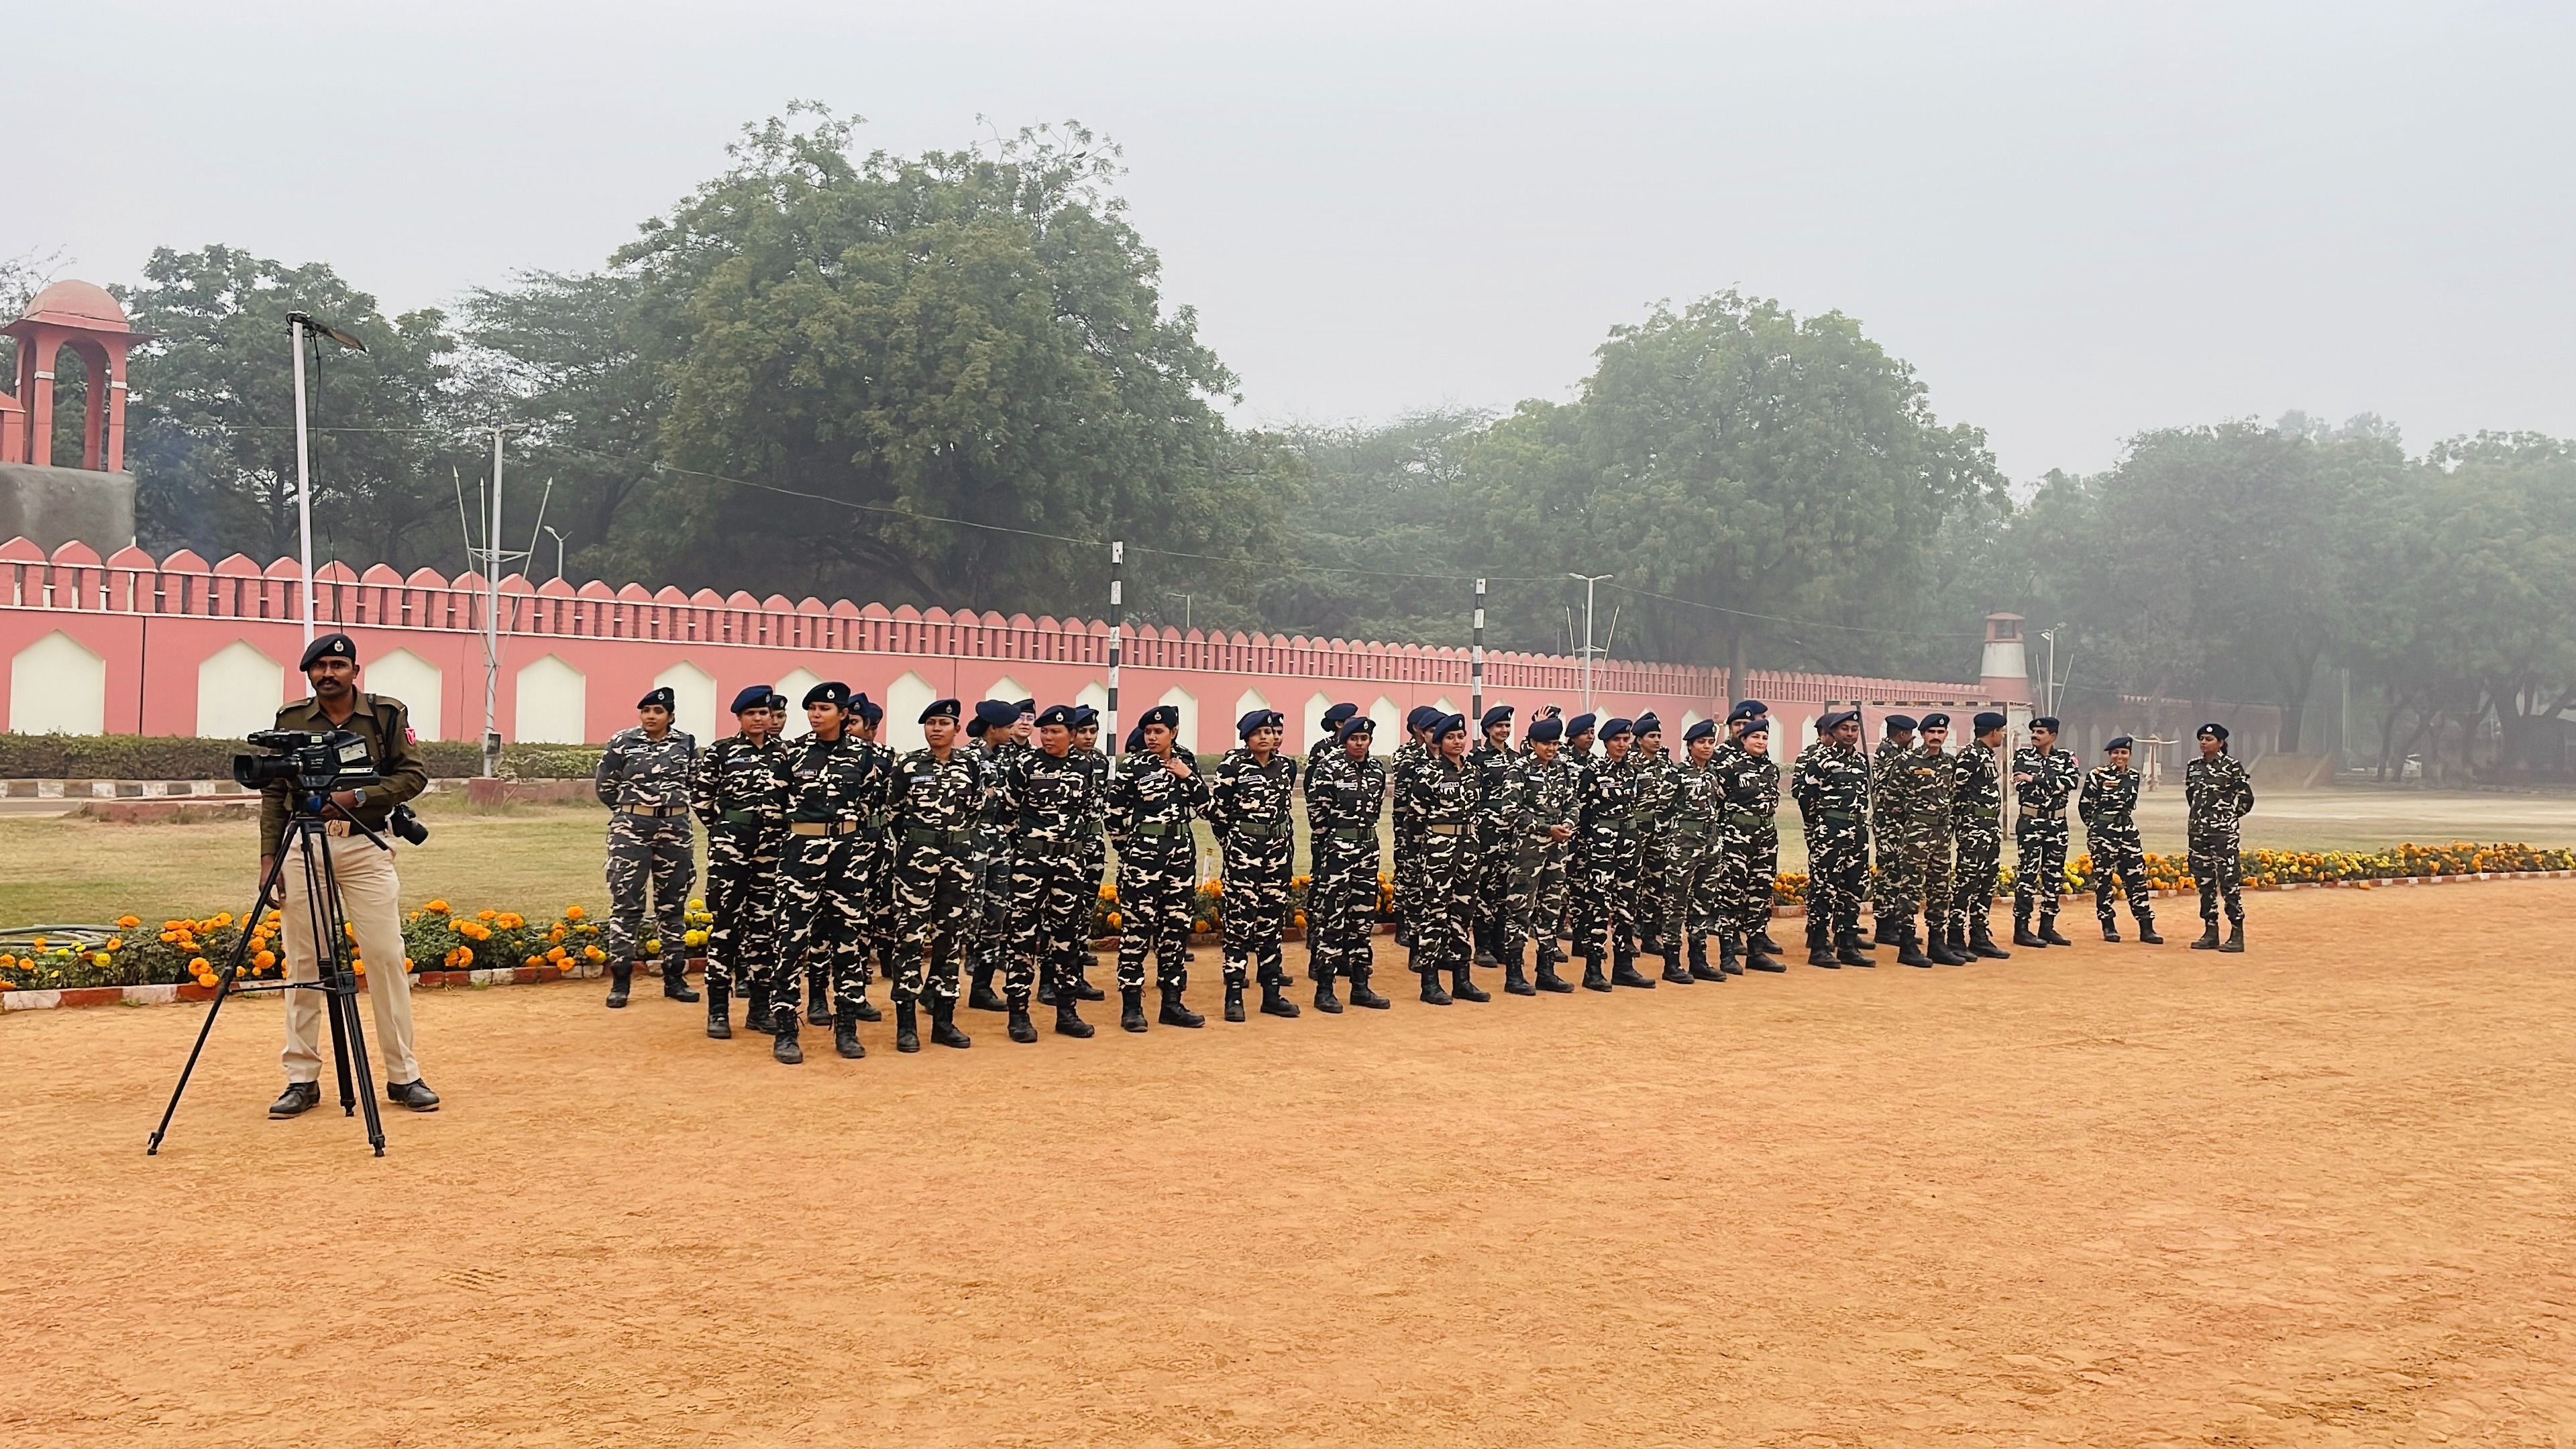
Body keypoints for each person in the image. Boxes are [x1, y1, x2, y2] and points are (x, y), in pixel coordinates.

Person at [260, 632, 439, 1117]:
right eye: (318, 668)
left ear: (355, 672)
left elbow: (413, 775)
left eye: (338, 665)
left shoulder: (385, 715)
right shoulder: (291, 719)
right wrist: (267, 860)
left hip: (364, 842)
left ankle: (404, 1076)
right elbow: (275, 794)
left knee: (383, 956)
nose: (327, 674)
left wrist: (359, 797)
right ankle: (301, 1078)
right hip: (304, 845)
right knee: (303, 962)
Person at [774, 683, 894, 1063]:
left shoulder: (866, 755)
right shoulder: (791, 753)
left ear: (844, 714)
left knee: (848, 942)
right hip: (800, 855)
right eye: (810, 708)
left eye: (824, 708)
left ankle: (847, 1028)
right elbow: (775, 807)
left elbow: (877, 805)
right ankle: (786, 1030)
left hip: (848, 856)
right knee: (791, 942)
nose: (815, 714)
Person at [690, 685, 792, 1040]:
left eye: (764, 714)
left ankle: (759, 1009)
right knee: (725, 925)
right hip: (731, 847)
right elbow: (701, 798)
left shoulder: (785, 754)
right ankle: (718, 1010)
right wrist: (724, 829)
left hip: (772, 849)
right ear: (739, 718)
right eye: (751, 714)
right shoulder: (722, 751)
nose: (758, 719)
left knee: (764, 927)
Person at [886, 699, 984, 1051]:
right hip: (916, 861)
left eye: (944, 723)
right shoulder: (909, 765)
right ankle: (907, 1024)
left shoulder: (970, 766)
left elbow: (974, 811)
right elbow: (894, 812)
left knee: (950, 939)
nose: (937, 729)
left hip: (957, 860)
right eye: (930, 723)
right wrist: (923, 841)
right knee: (910, 938)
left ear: (957, 729)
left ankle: (944, 1020)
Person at [1106, 703, 1211, 1030]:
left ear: (1174, 732)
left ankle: (1172, 1003)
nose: (1151, 737)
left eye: (1158, 732)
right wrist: (1134, 851)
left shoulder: (1187, 762)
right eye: (1148, 732)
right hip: (1142, 858)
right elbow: (1113, 817)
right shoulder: (1132, 767)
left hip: (1180, 857)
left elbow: (1207, 808)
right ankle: (1132, 1006)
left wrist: (1189, 777)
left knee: (1175, 932)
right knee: (1136, 931)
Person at [595, 686, 700, 1008]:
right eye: (646, 711)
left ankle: (674, 977)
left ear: (670, 716)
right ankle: (621, 981)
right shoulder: (623, 742)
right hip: (631, 829)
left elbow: (697, 783)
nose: (651, 717)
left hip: (675, 828)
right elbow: (605, 785)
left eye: (657, 712)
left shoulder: (686, 743)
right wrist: (632, 812)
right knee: (627, 903)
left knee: (673, 904)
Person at [1002, 704, 1100, 1040]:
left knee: (1066, 937)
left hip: (1069, 864)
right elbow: (1007, 812)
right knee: (1023, 937)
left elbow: (1088, 812)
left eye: (1055, 732)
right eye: (1044, 731)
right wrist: (1031, 845)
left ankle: (1066, 1011)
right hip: (1031, 863)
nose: (1047, 737)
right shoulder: (1025, 765)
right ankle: (1018, 1013)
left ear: (1071, 736)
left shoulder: (1084, 767)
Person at [1206, 708, 1302, 1022]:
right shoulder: (1232, 766)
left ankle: (1272, 994)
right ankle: (1234, 996)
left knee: (1271, 925)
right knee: (1239, 925)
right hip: (1244, 854)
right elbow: (1218, 814)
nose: (1266, 737)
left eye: (1270, 732)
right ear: (1247, 737)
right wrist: (1236, 844)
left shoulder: (1285, 766)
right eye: (1259, 732)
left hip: (1277, 853)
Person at [1302, 714, 1393, 1012]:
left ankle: (1360, 986)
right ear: (1345, 740)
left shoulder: (1377, 770)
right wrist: (1333, 841)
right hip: (1337, 850)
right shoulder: (1329, 767)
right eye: (1354, 738)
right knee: (1333, 917)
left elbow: (1376, 808)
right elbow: (1317, 812)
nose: (1359, 743)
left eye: (1364, 739)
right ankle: (1325, 989)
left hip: (1368, 847)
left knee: (1363, 918)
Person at [1406, 713, 1483, 1004]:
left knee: (1463, 913)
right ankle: (1430, 982)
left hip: (1468, 846)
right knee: (1435, 914)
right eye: (1451, 737)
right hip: (1439, 847)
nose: (1457, 742)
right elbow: (1415, 819)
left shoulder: (1473, 772)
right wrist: (1420, 854)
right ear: (1440, 741)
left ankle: (1462, 979)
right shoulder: (1429, 773)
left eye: (1461, 737)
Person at [1794, 708, 1874, 967]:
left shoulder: (1862, 762)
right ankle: (1818, 947)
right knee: (1824, 889)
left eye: (1854, 730)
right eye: (1844, 730)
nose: (1850, 734)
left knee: (1853, 889)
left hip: (1857, 832)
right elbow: (1806, 797)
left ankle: (1848, 945)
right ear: (1833, 733)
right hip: (1829, 831)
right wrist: (1820, 826)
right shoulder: (1822, 760)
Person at [1571, 717, 1646, 990]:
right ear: (1606, 742)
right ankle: (1593, 969)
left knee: (1627, 904)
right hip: (1601, 844)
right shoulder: (1593, 771)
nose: (1623, 745)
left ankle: (1624, 966)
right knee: (1598, 905)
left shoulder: (1632, 772)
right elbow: (1582, 809)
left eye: (1626, 740)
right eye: (1617, 740)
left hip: (1628, 841)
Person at [1714, 712, 1786, 973]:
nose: (1760, 741)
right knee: (1731, 893)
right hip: (1737, 837)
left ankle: (1756, 951)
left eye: (1765, 737)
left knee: (1760, 893)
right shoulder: (1730, 768)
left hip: (1766, 838)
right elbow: (1718, 804)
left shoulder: (1770, 769)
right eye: (1755, 736)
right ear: (1743, 739)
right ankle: (1727, 954)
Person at [1513, 713, 1580, 993]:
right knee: (1519, 909)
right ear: (1532, 743)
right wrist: (1545, 828)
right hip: (1529, 850)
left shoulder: (1561, 769)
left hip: (1557, 849)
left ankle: (1546, 970)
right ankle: (1515, 974)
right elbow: (1512, 811)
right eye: (1545, 744)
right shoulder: (1518, 769)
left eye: (1555, 744)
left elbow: (1573, 803)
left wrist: (1567, 823)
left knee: (1551, 909)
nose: (1551, 749)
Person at [965, 700, 1024, 1016]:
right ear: (994, 728)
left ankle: (982, 988)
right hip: (972, 842)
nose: (1013, 731)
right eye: (1008, 726)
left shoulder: (1004, 757)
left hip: (998, 844)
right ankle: (936, 989)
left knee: (995, 915)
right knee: (966, 919)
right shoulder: (969, 758)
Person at [2079, 735, 2162, 944]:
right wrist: (2097, 828)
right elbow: (2085, 806)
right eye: (2116, 753)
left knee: (2136, 878)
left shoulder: (2133, 776)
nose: (2120, 757)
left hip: (2127, 831)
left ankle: (2146, 927)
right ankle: (2108, 926)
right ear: (2110, 755)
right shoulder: (2097, 775)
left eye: (2124, 753)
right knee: (2105, 880)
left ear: (2130, 755)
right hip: (2103, 832)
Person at [1466, 704, 1529, 977]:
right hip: (1488, 831)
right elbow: (1471, 793)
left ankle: (1501, 944)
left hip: (1512, 832)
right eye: (1499, 726)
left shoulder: (1518, 759)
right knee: (1486, 887)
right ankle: (1482, 947)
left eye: (1507, 726)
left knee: (1507, 888)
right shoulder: (1478, 757)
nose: (1504, 730)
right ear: (1488, 729)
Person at [1663, 719, 1728, 982]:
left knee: (1703, 904)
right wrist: (1672, 841)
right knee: (1676, 904)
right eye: (1701, 742)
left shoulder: (1713, 774)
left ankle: (1699, 959)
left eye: (1711, 742)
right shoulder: (1677, 774)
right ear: (1690, 746)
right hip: (1683, 847)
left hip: (1710, 845)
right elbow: (1663, 810)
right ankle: (1672, 962)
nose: (1707, 747)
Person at [2011, 716, 2080, 949]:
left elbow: (2071, 782)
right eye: (2033, 732)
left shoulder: (2065, 757)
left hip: (2057, 823)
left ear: (2053, 736)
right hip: (2031, 821)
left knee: (2054, 876)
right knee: (2027, 875)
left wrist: (2035, 779)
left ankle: (2047, 927)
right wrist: (2048, 782)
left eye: (2040, 732)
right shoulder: (2022, 756)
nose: (2035, 736)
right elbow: (2020, 783)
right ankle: (2022, 929)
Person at [2185, 722, 2255, 952]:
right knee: (2204, 882)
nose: (2204, 743)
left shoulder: (2232, 767)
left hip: (2223, 834)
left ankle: (2236, 932)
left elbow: (2246, 799)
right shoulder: (2193, 767)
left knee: (2228, 882)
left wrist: (2228, 818)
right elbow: (2191, 796)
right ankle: (2210, 930)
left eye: (2209, 739)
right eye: (2202, 739)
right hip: (2198, 833)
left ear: (2221, 743)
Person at [1949, 712, 2013, 960]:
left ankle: (1979, 935)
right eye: (2002, 731)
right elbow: (1955, 791)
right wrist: (1960, 825)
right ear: (1994, 731)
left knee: (1986, 882)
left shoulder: (1986, 755)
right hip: (1973, 827)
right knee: (1967, 882)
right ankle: (1955, 936)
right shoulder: (1971, 755)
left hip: (1989, 827)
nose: (2003, 736)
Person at [1870, 714, 1927, 962]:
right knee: (1890, 873)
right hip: (1889, 823)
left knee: (1895, 872)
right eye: (1910, 735)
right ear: (1903, 735)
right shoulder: (1891, 755)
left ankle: (1891, 924)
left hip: (1896, 823)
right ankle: (1885, 926)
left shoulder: (1892, 753)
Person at [1913, 714, 1969, 965]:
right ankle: (1907, 945)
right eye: (1931, 731)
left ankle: (1937, 942)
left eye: (1941, 731)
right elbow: (1893, 799)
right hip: (1916, 835)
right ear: (1923, 734)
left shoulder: (1950, 763)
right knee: (1911, 890)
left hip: (1942, 836)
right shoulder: (1908, 761)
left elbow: (1953, 798)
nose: (1936, 736)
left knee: (1940, 889)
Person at [1390, 706, 1440, 949]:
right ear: (1416, 729)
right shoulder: (1407, 757)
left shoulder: (1446, 757)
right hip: (1410, 829)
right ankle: (1404, 925)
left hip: (1436, 834)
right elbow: (1402, 800)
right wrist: (1403, 833)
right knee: (1407, 877)